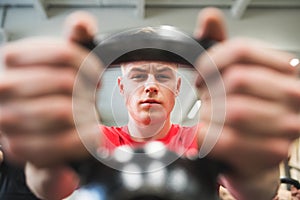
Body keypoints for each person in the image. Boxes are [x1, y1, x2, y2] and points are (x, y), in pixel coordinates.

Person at [0, 7, 299, 200]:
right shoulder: (94, 139)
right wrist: (45, 157)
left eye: (164, 76)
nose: (151, 85)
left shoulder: (204, 137)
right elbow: (48, 185)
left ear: (178, 86)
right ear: (120, 85)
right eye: (138, 76)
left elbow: (256, 188)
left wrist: (259, 172)